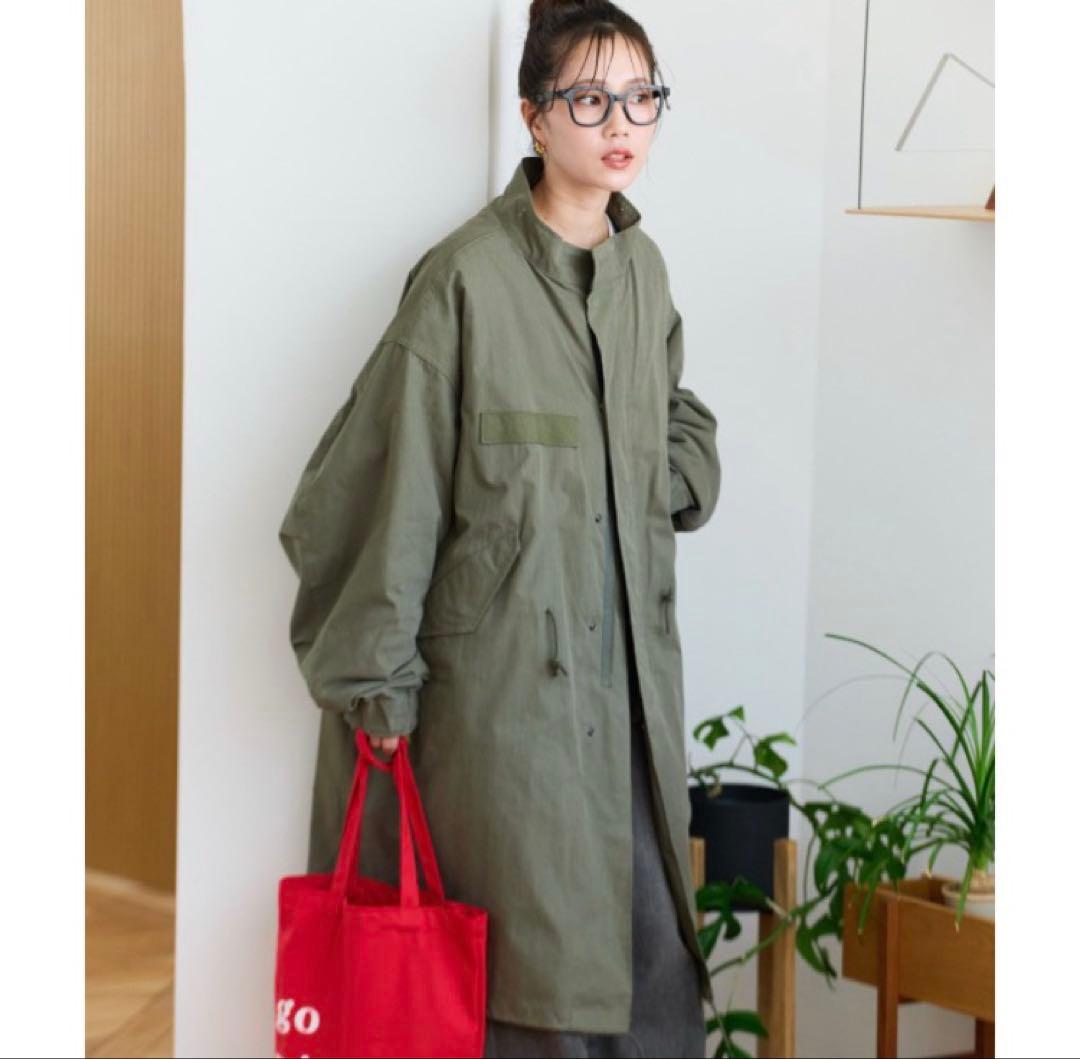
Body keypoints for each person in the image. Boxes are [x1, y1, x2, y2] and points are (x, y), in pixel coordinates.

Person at [278, 1, 722, 1055]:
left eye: (641, 98)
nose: (621, 123)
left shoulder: (643, 272)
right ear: (534, 115)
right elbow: (379, 485)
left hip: (629, 704)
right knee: (519, 977)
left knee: (647, 963)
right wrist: (379, 687)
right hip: (504, 717)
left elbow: (672, 412)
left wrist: (670, 472)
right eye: (589, 99)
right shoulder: (465, 280)